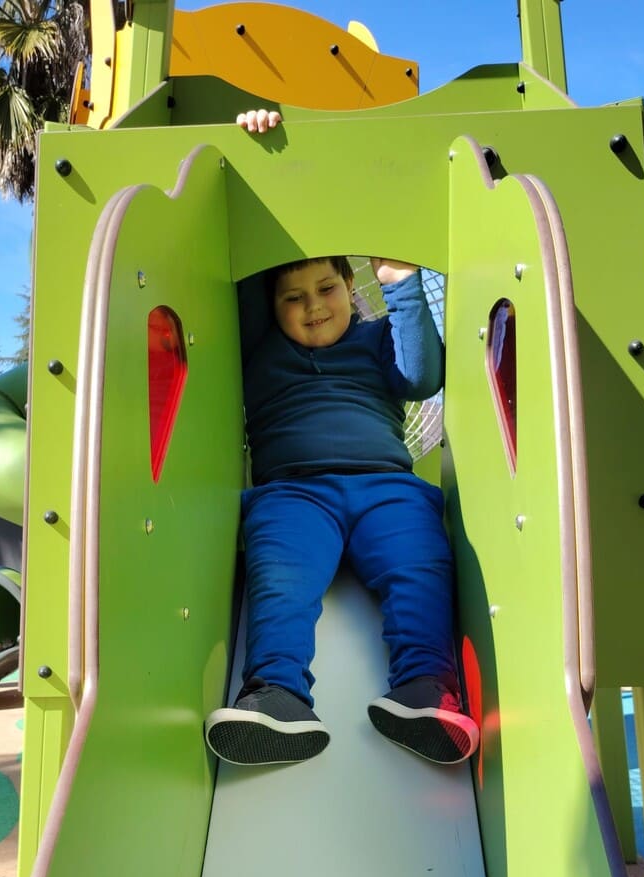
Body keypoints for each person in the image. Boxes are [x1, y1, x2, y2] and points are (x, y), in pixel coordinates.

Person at [204, 109, 479, 767]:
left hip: (387, 487)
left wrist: (401, 286)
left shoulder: (376, 338)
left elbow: (422, 375)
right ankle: (276, 695)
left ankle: (426, 690)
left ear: (350, 285)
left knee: (419, 564)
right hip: (294, 491)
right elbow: (243, 259)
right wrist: (260, 156)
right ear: (271, 305)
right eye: (292, 296)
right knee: (281, 577)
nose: (312, 306)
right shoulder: (259, 348)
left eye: (326, 287)